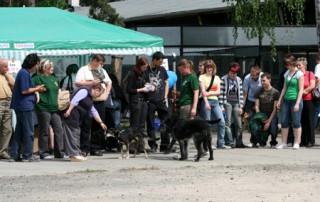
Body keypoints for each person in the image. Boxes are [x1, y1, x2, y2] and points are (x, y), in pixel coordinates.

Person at [9, 53, 46, 162]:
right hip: (25, 106)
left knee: (19, 131)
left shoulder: (22, 73)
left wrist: (35, 89)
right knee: (29, 131)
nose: (37, 66)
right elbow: (24, 90)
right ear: (33, 64)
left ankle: (14, 155)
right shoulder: (24, 73)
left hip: (20, 106)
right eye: (37, 64)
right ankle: (27, 155)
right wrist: (37, 89)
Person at [75, 54, 111, 156]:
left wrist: (107, 94)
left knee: (98, 125)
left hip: (100, 101)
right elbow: (77, 83)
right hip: (87, 101)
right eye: (100, 63)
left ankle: (95, 147)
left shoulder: (102, 71)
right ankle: (84, 148)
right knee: (86, 125)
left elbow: (109, 82)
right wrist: (90, 83)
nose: (101, 66)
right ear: (94, 61)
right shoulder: (83, 70)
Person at [62, 83, 107, 162]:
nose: (100, 96)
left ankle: (76, 153)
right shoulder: (84, 91)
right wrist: (69, 111)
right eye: (100, 93)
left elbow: (93, 111)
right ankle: (74, 155)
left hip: (76, 118)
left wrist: (101, 122)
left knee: (76, 134)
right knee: (73, 134)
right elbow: (75, 100)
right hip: (71, 115)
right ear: (97, 90)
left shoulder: (90, 98)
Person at [32, 59, 65, 160]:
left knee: (59, 129)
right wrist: (37, 93)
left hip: (54, 108)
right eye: (50, 66)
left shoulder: (54, 79)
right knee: (44, 130)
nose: (52, 68)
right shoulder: (37, 78)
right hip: (43, 107)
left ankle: (59, 152)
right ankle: (44, 153)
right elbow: (31, 88)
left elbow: (58, 91)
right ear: (44, 68)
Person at [199, 60, 229, 149]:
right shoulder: (202, 77)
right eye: (207, 67)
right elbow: (203, 92)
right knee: (208, 123)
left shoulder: (216, 78)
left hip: (215, 102)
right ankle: (208, 143)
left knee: (222, 122)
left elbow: (219, 91)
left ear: (213, 68)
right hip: (206, 101)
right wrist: (207, 101)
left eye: (211, 67)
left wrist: (209, 94)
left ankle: (221, 143)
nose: (209, 69)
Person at [144, 51, 170, 153]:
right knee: (150, 123)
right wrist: (150, 87)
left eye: (162, 61)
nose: (161, 63)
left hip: (161, 100)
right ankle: (153, 145)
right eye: (159, 61)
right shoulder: (146, 70)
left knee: (166, 121)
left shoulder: (162, 69)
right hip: (150, 100)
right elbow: (144, 84)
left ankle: (165, 144)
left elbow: (166, 82)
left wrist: (165, 95)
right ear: (154, 60)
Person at [276, 56, 304, 150]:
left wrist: (297, 103)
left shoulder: (299, 74)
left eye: (288, 64)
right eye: (286, 64)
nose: (286, 66)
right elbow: (284, 88)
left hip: (295, 99)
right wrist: (280, 100)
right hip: (286, 100)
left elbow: (301, 90)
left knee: (296, 122)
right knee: (284, 121)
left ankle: (297, 142)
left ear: (292, 63)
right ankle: (284, 142)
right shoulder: (287, 73)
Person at [219, 62, 245, 148]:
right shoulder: (223, 79)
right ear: (228, 71)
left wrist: (241, 106)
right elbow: (221, 93)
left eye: (235, 74)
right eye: (231, 73)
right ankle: (229, 142)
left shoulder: (239, 80)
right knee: (228, 123)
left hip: (236, 103)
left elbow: (241, 93)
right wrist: (221, 105)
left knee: (239, 124)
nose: (233, 75)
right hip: (227, 103)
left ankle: (239, 142)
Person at [127, 57, 153, 133]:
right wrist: (141, 89)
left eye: (146, 67)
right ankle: (133, 143)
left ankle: (140, 143)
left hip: (144, 101)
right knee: (135, 125)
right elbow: (129, 90)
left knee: (142, 125)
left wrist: (149, 86)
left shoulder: (144, 74)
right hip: (136, 101)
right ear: (139, 66)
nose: (145, 69)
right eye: (143, 67)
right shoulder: (132, 74)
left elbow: (146, 83)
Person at [253, 73, 280, 147]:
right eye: (261, 81)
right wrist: (260, 117)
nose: (262, 82)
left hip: (272, 114)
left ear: (269, 80)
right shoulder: (258, 92)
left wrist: (268, 122)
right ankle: (261, 141)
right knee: (256, 128)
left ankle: (273, 141)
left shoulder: (276, 92)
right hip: (262, 114)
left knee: (273, 129)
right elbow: (256, 106)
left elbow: (275, 109)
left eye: (264, 81)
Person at [296, 57, 316, 147]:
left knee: (309, 121)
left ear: (304, 65)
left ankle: (311, 141)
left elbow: (312, 85)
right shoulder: (296, 75)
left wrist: (304, 92)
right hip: (299, 101)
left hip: (308, 100)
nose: (298, 67)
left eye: (299, 65)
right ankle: (303, 140)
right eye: (297, 65)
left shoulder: (309, 74)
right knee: (301, 121)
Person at [243, 65, 263, 147]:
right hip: (250, 100)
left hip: (261, 100)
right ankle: (253, 141)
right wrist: (243, 106)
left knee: (259, 120)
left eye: (253, 75)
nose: (251, 76)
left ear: (258, 75)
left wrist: (258, 104)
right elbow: (245, 93)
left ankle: (260, 141)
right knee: (251, 120)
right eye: (251, 74)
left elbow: (265, 91)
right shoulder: (247, 78)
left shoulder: (262, 77)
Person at [0, 58, 15, 160]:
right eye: (5, 66)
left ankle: (3, 151)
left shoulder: (6, 76)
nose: (7, 68)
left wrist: (7, 75)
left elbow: (15, 85)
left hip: (8, 103)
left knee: (7, 129)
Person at [313, 53, 320, 128]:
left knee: (316, 110)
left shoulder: (318, 66)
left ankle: (312, 127)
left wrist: (314, 89)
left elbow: (317, 79)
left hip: (319, 91)